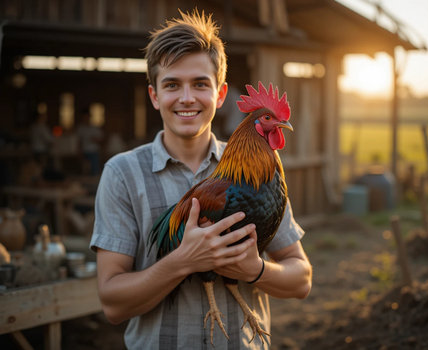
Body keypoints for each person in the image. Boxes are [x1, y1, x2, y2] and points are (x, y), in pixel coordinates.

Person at [90, 9, 312, 349]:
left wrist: (255, 269)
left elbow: (301, 280)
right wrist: (184, 261)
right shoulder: (122, 175)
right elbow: (113, 304)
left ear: (221, 95)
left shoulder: (264, 173)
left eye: (200, 84)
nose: (187, 98)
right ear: (154, 95)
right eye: (172, 84)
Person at [77, 108, 104, 175]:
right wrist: (79, 151)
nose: (85, 119)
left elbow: (102, 139)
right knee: (84, 170)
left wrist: (95, 140)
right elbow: (79, 141)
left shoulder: (95, 128)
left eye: (87, 117)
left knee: (95, 170)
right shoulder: (81, 128)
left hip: (94, 151)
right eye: (84, 117)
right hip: (84, 151)